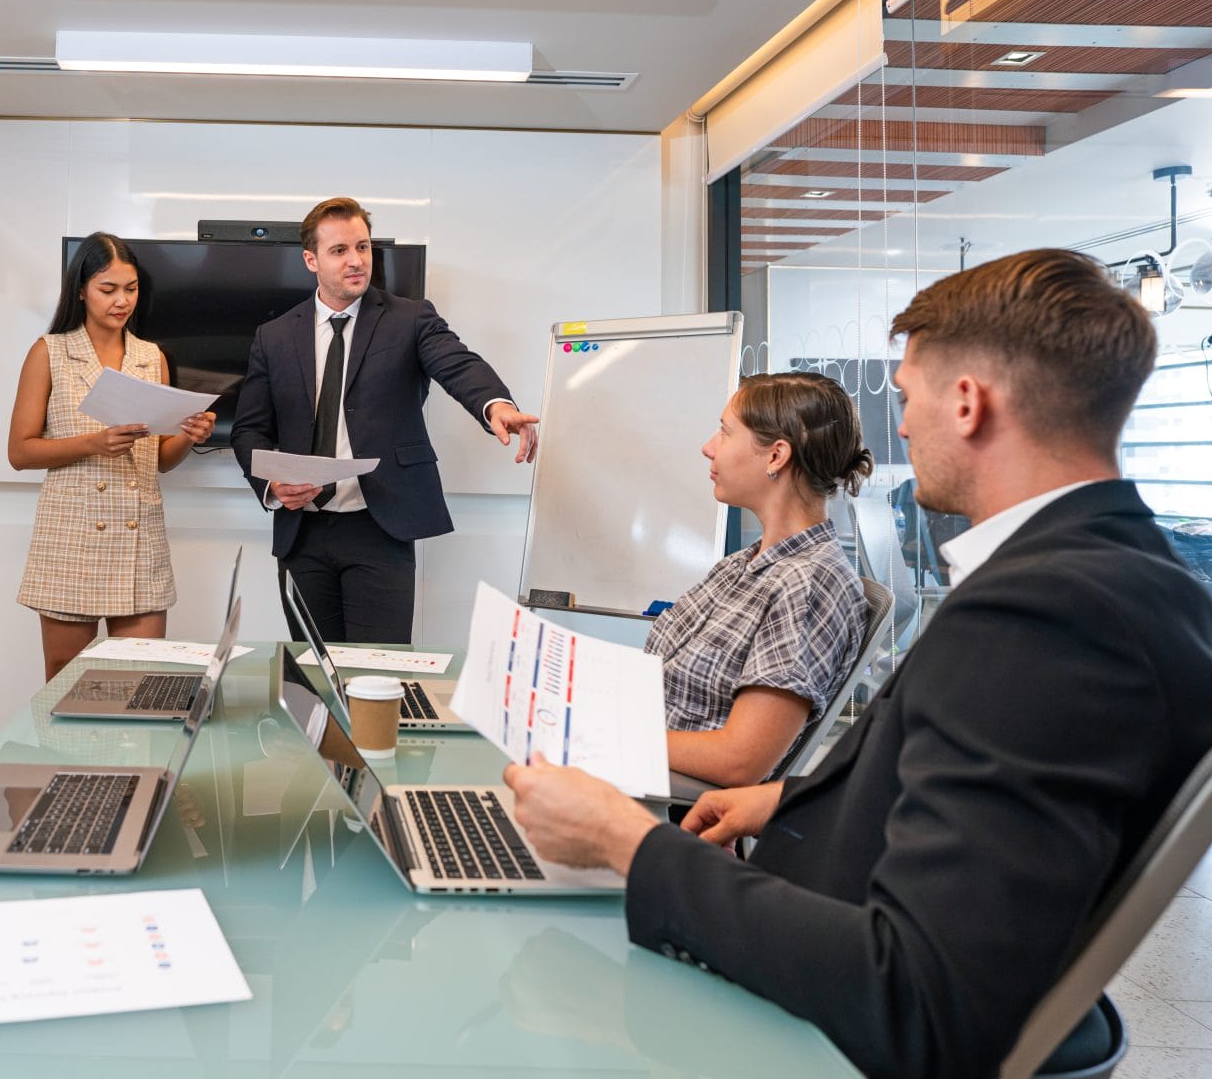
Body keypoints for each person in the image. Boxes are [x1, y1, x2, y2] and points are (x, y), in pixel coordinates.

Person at [503, 249, 1212, 1079]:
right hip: (793, 919)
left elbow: (916, 995)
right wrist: (785, 796)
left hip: (810, 1028)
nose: (899, 427)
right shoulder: (1117, 578)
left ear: (968, 402)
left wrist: (630, 846)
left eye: (907, 398)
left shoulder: (1049, 618)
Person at [232, 196, 538, 644]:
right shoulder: (275, 336)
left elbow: (458, 365)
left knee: (378, 675)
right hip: (303, 533)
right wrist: (271, 485)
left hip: (380, 526)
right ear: (311, 259)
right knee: (314, 677)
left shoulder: (410, 319)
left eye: (363, 247)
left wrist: (496, 405)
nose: (356, 261)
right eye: (340, 251)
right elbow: (249, 429)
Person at [9, 232, 215, 680]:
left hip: (138, 538)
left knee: (139, 680)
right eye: (109, 289)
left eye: (131, 288)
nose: (122, 301)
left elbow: (160, 459)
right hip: (71, 536)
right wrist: (93, 444)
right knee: (65, 679)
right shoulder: (51, 352)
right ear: (81, 289)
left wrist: (189, 434)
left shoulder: (151, 356)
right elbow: (20, 452)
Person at [656, 372, 871, 787]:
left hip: (667, 804)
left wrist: (608, 736)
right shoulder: (743, 565)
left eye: (725, 432)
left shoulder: (809, 584)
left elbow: (740, 761)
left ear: (776, 457)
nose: (708, 447)